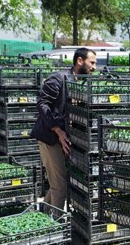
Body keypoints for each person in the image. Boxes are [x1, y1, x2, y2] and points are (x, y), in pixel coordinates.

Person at [31, 48, 96, 210]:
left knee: (59, 182)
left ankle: (44, 213)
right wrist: (58, 130)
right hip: (50, 138)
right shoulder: (59, 79)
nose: (95, 67)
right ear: (80, 61)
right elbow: (42, 104)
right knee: (59, 185)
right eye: (92, 62)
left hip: (66, 139)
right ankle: (57, 228)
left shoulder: (81, 83)